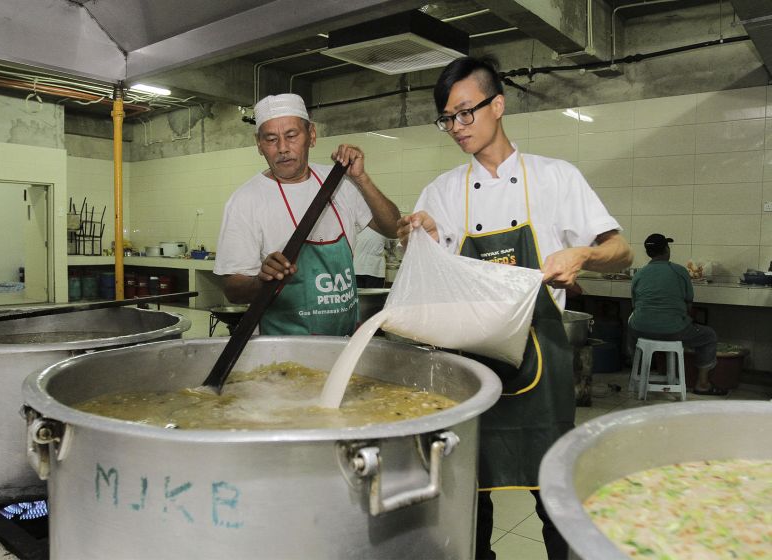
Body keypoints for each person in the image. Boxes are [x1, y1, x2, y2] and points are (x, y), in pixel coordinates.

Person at [396, 57, 633, 560]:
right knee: (469, 500)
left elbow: (621, 250)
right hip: (469, 369)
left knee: (556, 495)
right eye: (447, 118)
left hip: (541, 365)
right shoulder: (441, 192)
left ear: (498, 104)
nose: (456, 127)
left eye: (466, 112)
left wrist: (583, 254)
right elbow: (429, 283)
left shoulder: (555, 178)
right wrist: (424, 241)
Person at [213, 93, 399, 335]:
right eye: (271, 139)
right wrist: (262, 282)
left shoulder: (339, 182)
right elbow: (233, 290)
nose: (282, 148)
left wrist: (362, 179)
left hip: (344, 340)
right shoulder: (245, 201)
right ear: (259, 144)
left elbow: (394, 228)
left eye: (291, 136)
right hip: (282, 346)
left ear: (311, 135)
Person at [629, 233, 721, 395]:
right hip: (673, 331)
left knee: (633, 322)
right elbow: (688, 305)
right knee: (708, 335)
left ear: (648, 253)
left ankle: (638, 371)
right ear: (666, 249)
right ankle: (702, 384)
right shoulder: (679, 271)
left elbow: (635, 305)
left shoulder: (639, 274)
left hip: (639, 331)